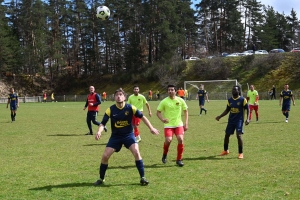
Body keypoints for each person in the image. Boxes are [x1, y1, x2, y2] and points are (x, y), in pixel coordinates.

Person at [94, 88, 159, 186]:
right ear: (114, 97)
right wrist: (99, 131)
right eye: (116, 95)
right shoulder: (110, 109)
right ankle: (101, 178)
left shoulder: (130, 108)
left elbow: (142, 117)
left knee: (137, 152)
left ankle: (143, 178)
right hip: (115, 137)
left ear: (124, 97)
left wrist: (151, 128)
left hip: (128, 136)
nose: (118, 96)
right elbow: (103, 123)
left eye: (120, 94)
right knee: (105, 156)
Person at [157, 84, 188, 167]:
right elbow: (158, 112)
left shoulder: (180, 100)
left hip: (178, 124)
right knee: (168, 140)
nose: (170, 91)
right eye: (169, 90)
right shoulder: (164, 101)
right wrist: (162, 119)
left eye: (172, 90)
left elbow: (186, 111)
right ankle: (164, 154)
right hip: (168, 125)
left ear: (175, 91)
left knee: (180, 139)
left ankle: (179, 159)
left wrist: (186, 123)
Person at [215, 85, 250, 159]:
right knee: (227, 135)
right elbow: (227, 110)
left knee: (239, 135)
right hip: (231, 120)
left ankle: (240, 153)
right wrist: (220, 116)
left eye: (235, 90)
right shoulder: (230, 100)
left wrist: (248, 119)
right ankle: (225, 150)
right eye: (233, 89)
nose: (233, 91)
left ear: (238, 91)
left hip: (239, 120)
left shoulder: (242, 99)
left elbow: (248, 109)